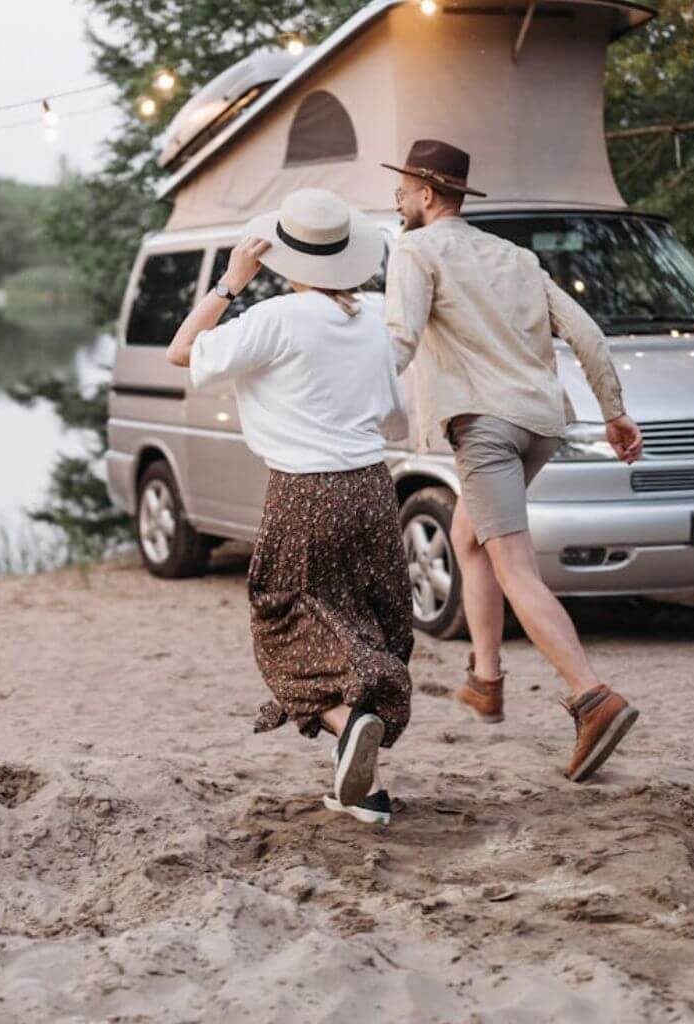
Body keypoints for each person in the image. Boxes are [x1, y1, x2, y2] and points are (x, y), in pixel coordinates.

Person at [382, 139, 644, 783]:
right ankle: (486, 680)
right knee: (468, 536)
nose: (396, 199)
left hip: (486, 428)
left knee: (514, 567)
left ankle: (592, 697)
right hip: (540, 423)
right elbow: (586, 334)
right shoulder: (518, 257)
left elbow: (400, 339)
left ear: (425, 194)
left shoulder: (414, 250)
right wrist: (614, 412)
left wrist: (350, 399)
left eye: (402, 189)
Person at [165, 188, 413, 825]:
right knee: (362, 624)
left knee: (284, 624)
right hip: (372, 488)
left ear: (283, 256)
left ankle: (347, 721)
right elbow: (394, 411)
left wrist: (230, 282)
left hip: (305, 491)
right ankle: (365, 790)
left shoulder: (275, 317)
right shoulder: (375, 317)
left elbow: (182, 350)